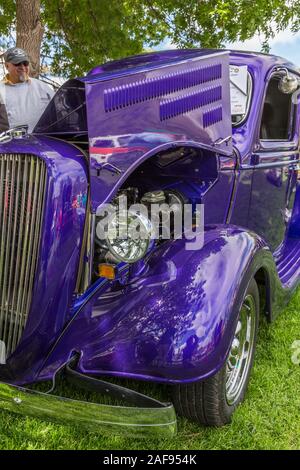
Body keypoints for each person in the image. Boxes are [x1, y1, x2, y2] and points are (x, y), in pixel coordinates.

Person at [0, 47, 54, 133]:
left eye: (25, 63)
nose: (22, 67)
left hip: (43, 143)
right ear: (7, 66)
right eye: (17, 64)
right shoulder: (1, 90)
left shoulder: (43, 87)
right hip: (11, 144)